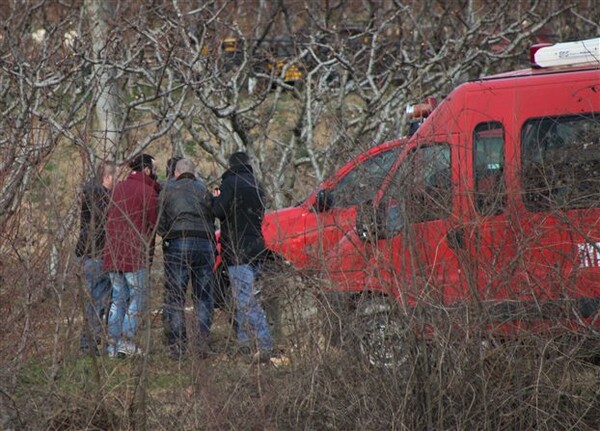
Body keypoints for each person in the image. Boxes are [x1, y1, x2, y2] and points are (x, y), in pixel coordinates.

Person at [212, 151, 274, 362]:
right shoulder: (257, 186)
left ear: (231, 165)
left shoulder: (230, 183)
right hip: (257, 247)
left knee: (246, 301)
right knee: (243, 298)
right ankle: (244, 344)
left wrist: (214, 197)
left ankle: (265, 344)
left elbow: (218, 211)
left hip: (237, 251)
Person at [158, 158, 217, 359]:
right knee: (203, 296)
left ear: (175, 172)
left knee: (176, 296)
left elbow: (159, 219)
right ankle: (201, 342)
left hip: (178, 243)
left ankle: (178, 346)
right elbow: (213, 214)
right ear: (195, 173)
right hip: (204, 244)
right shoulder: (203, 189)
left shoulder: (167, 189)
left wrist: (167, 235)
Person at [104, 154, 160, 357]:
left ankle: (112, 344)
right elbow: (155, 225)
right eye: (154, 169)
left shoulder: (116, 189)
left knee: (118, 298)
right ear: (146, 170)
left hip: (112, 253)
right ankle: (125, 340)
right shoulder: (148, 193)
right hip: (134, 255)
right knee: (139, 296)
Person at [75, 161, 116, 355]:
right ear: (107, 177)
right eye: (113, 178)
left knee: (97, 298)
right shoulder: (100, 197)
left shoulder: (90, 193)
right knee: (99, 299)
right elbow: (104, 222)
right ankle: (88, 343)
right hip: (96, 253)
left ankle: (90, 341)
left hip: (88, 252)